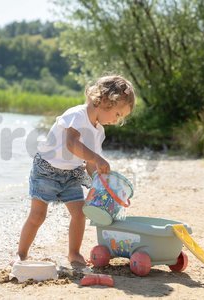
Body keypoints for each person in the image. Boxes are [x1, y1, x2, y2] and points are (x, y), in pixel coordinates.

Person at [16, 75, 136, 265]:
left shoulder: (99, 132)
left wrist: (101, 183)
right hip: (46, 170)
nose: (117, 120)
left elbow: (89, 164)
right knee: (38, 216)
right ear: (105, 101)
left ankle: (73, 253)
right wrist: (96, 158)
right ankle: (21, 254)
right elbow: (72, 144)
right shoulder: (77, 115)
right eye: (118, 114)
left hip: (72, 174)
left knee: (80, 214)